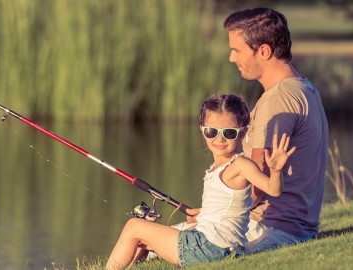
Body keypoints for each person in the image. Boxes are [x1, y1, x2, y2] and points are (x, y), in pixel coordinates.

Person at [105, 94, 296, 269]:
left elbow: (273, 189)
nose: (219, 138)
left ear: (243, 132)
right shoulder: (218, 167)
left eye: (229, 133)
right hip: (216, 245)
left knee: (133, 227)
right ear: (202, 130)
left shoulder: (240, 165)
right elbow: (226, 208)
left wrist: (275, 170)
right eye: (211, 131)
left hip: (210, 247)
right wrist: (202, 215)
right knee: (143, 239)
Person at [219, 7, 329, 253]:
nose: (231, 58)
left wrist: (215, 213)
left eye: (236, 50)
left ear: (264, 51)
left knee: (150, 243)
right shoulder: (305, 87)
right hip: (296, 228)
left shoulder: (277, 99)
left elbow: (258, 187)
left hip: (269, 228)